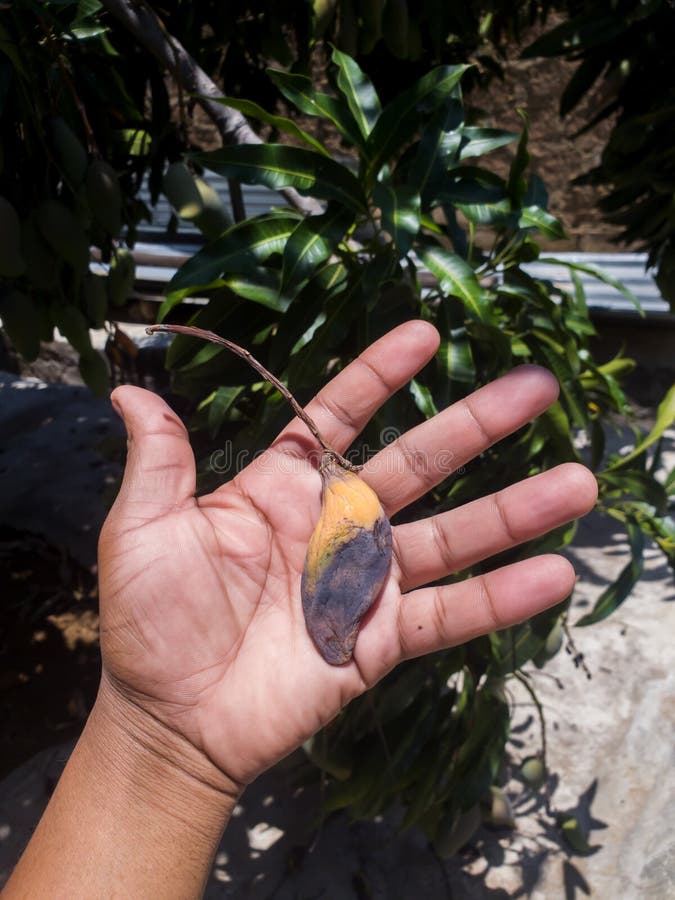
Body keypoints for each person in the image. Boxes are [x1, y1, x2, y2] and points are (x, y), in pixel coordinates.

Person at [2, 321, 597, 898]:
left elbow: (355, 568)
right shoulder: (346, 505)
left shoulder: (348, 503)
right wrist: (161, 738)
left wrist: (161, 749)